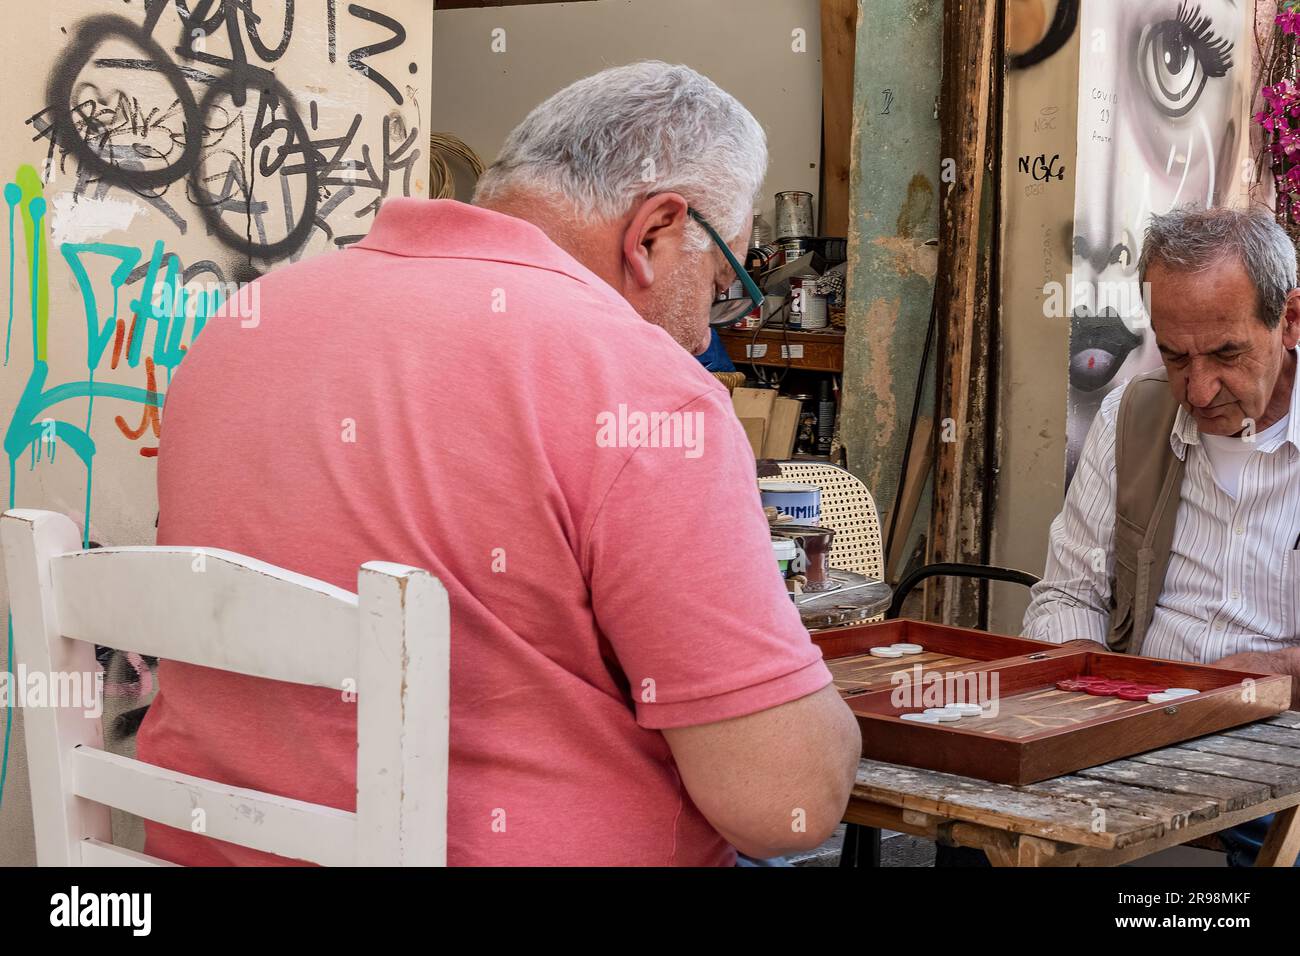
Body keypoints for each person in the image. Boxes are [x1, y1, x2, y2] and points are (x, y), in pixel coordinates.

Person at [137, 61, 861, 866]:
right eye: (721, 277)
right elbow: (781, 805)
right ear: (654, 232)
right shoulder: (643, 388)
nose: (703, 334)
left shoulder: (248, 320)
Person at [1023, 205, 1300, 866]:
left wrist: (1279, 676)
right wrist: (1090, 689)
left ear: (1290, 320)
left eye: (1226, 354)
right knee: (983, 838)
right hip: (1140, 736)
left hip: (1282, 750)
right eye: (1175, 356)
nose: (1199, 390)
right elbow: (1066, 596)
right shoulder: (1133, 415)